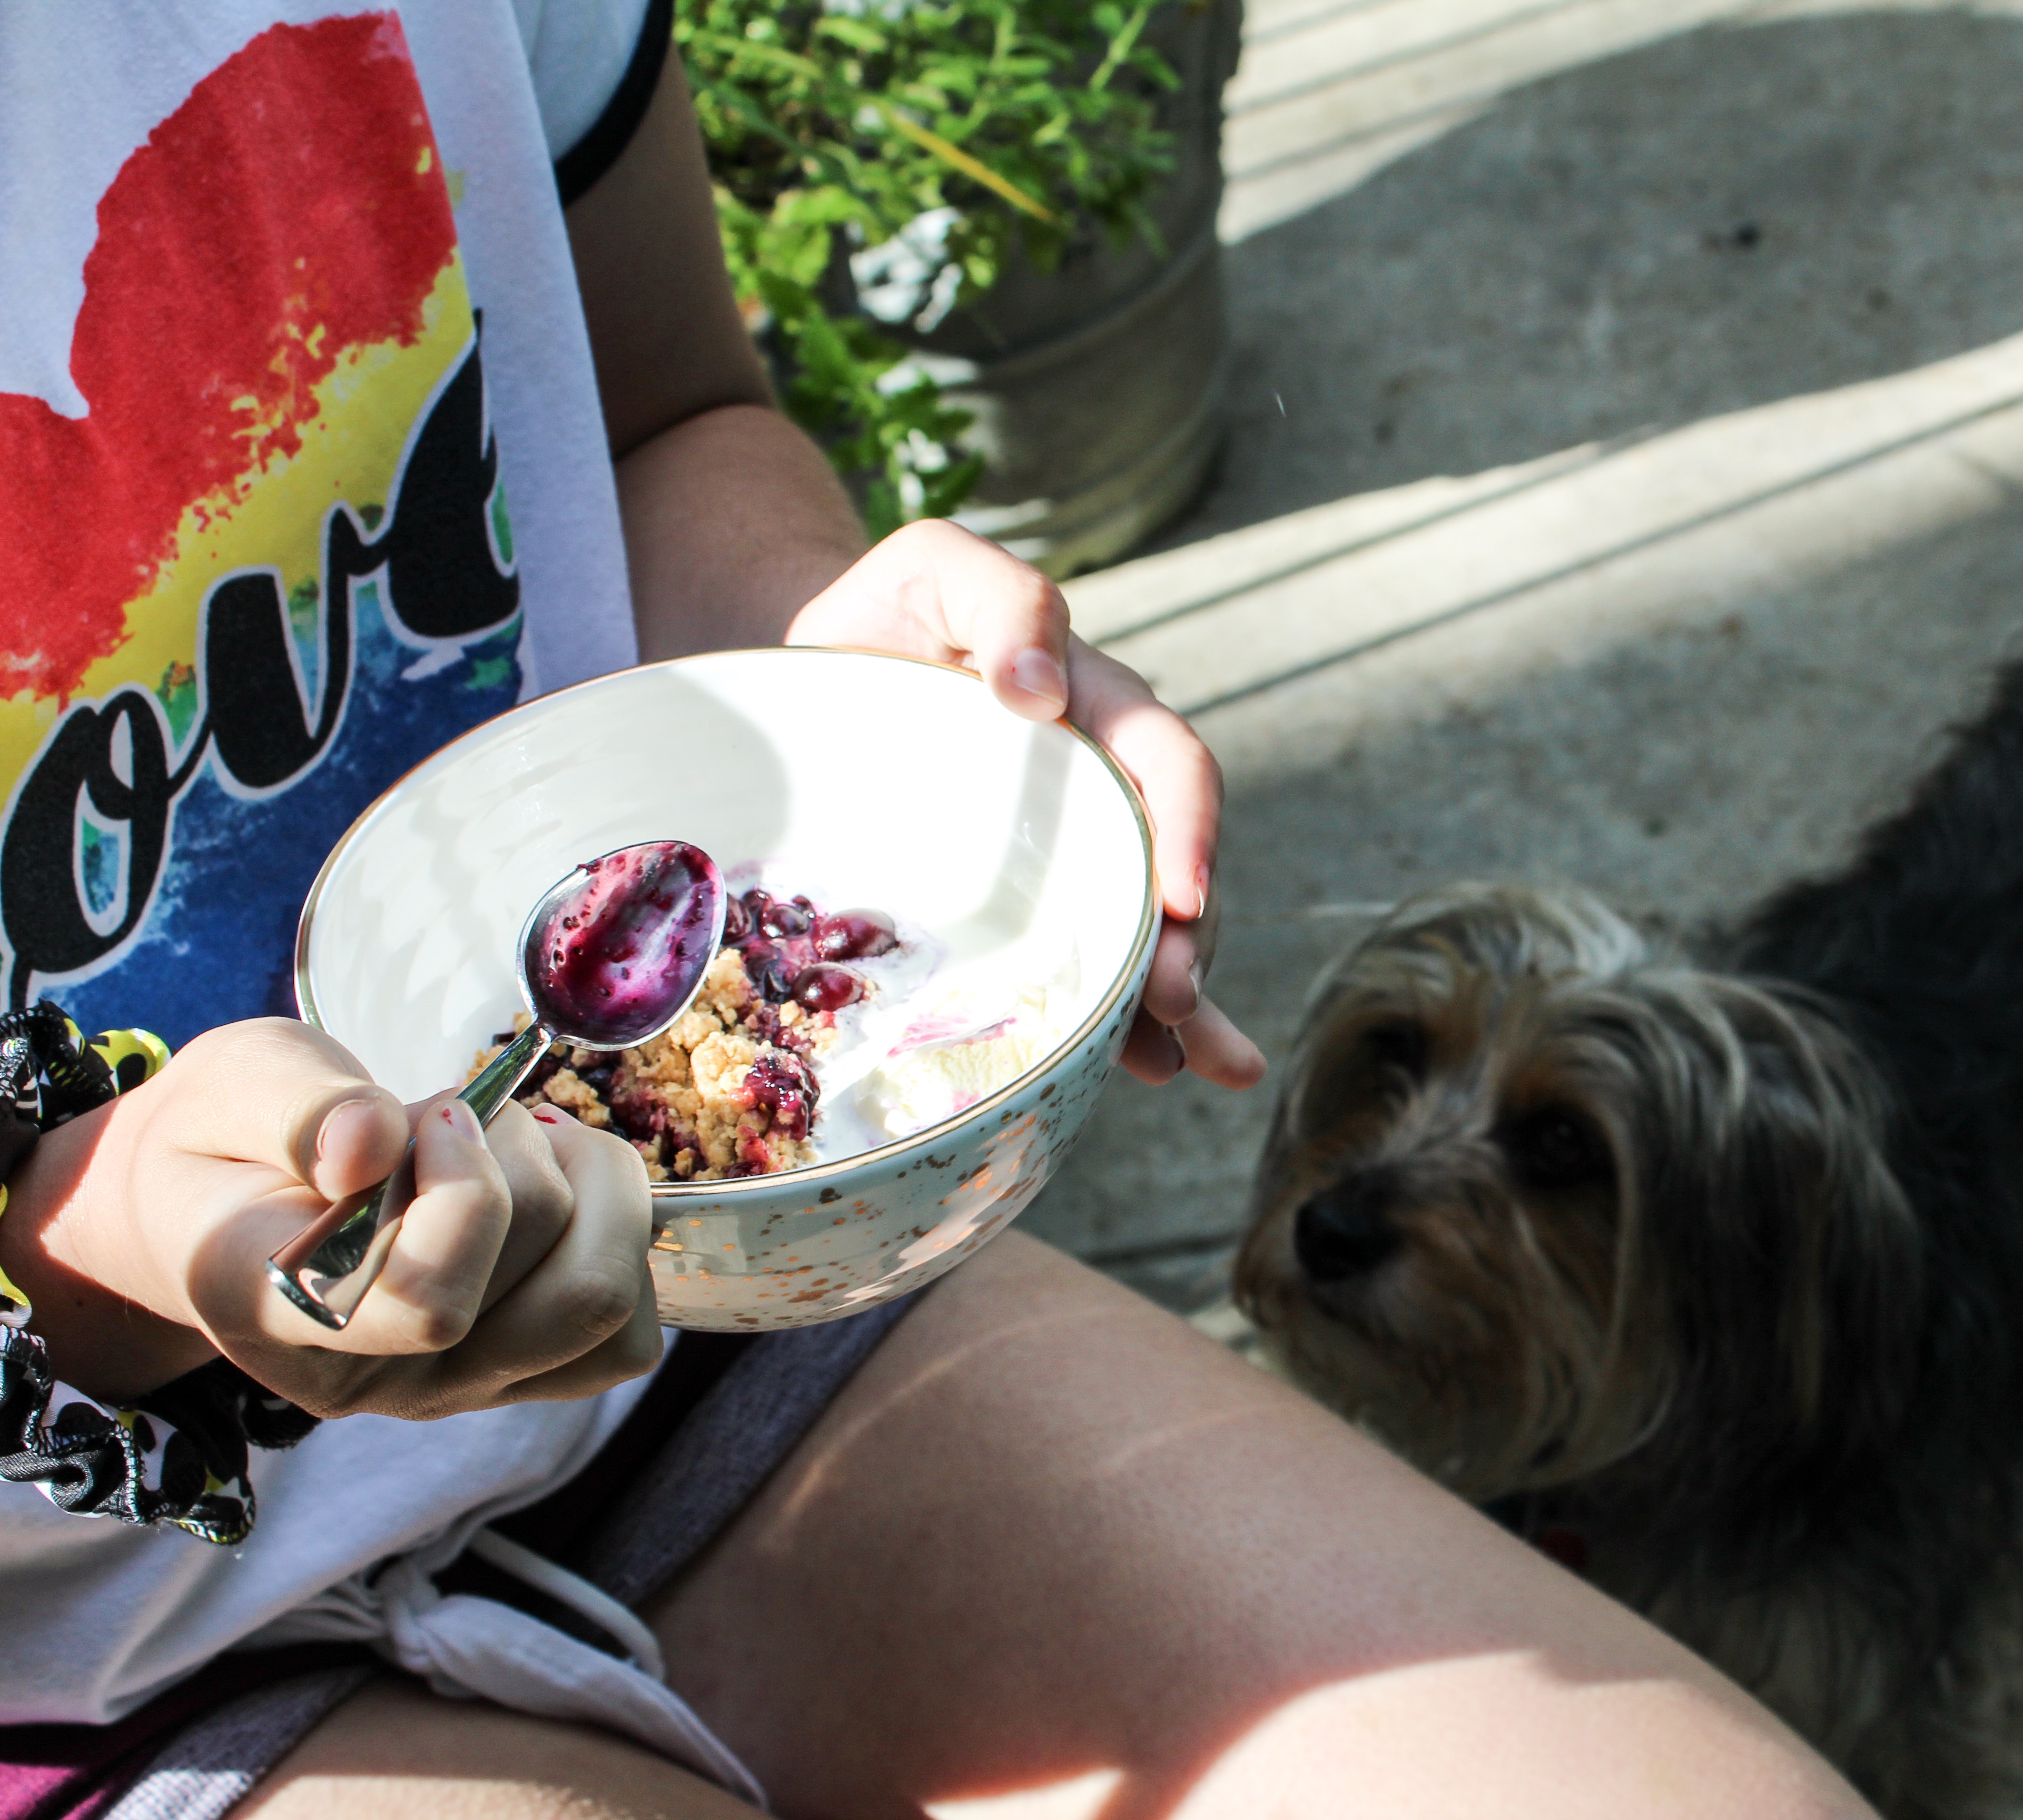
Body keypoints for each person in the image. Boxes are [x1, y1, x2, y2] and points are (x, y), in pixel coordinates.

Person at [0, 4, 1873, 1815]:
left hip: (706, 1302)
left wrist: (841, 662)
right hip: (75, 1625)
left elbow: (664, 415)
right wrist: (112, 1255)